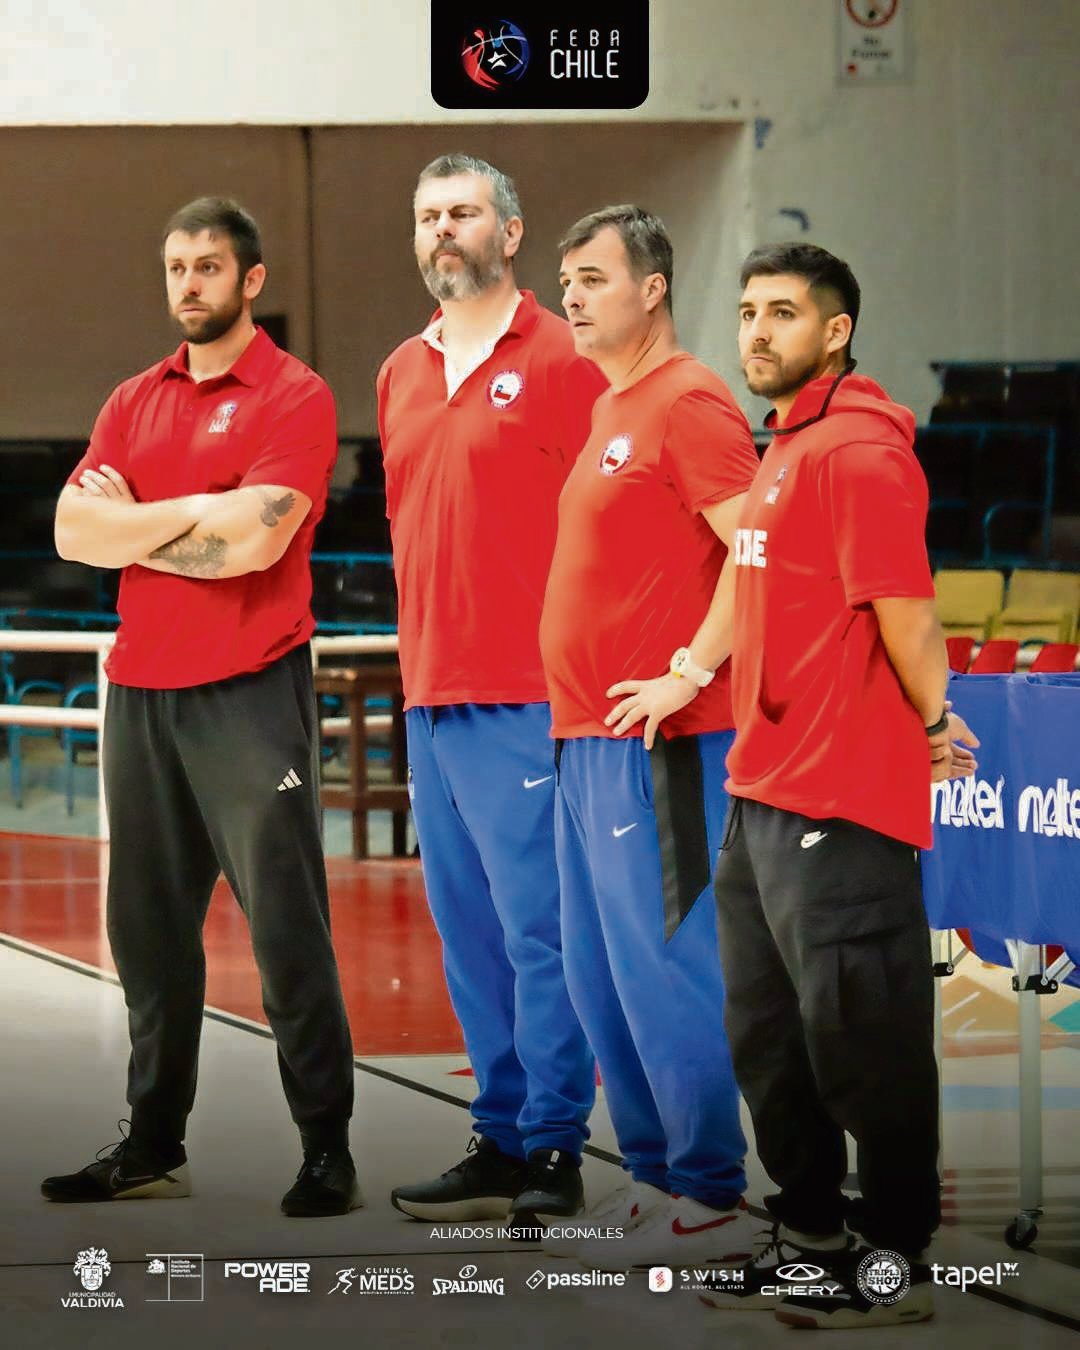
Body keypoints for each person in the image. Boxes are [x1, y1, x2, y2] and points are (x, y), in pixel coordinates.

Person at [42, 197, 359, 1218]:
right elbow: (72, 534)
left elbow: (259, 543)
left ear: (251, 279)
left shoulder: (294, 396)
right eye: (176, 265)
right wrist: (194, 514)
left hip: (248, 690)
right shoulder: (133, 398)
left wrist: (132, 521)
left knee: (284, 930)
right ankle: (150, 1142)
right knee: (145, 932)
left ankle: (324, 1148)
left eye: (210, 266)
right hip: (141, 693)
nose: (189, 283)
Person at [699, 242, 978, 1327]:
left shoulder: (859, 454)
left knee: (868, 1042)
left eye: (781, 314)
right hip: (759, 794)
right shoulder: (785, 449)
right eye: (748, 311)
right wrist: (690, 664)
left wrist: (930, 720)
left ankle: (896, 1259)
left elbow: (906, 611)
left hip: (839, 803)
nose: (756, 332)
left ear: (836, 329)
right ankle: (811, 1234)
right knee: (768, 1041)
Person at [377, 155, 603, 1228]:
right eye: (428, 216)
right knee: (465, 933)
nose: (443, 230)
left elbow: (614, 526)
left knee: (540, 931)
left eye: (463, 212)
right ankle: (502, 1134)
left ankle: (557, 1143)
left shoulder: (565, 358)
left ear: (511, 233)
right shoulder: (397, 373)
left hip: (530, 692)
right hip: (429, 692)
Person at [538, 205, 761, 1269]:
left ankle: (711, 1187)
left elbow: (756, 556)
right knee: (596, 972)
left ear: (653, 287)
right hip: (585, 738)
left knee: (667, 965)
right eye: (565, 280)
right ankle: (654, 1173)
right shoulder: (609, 407)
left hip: (664, 742)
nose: (570, 297)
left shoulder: (693, 401)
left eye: (590, 278)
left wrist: (690, 669)